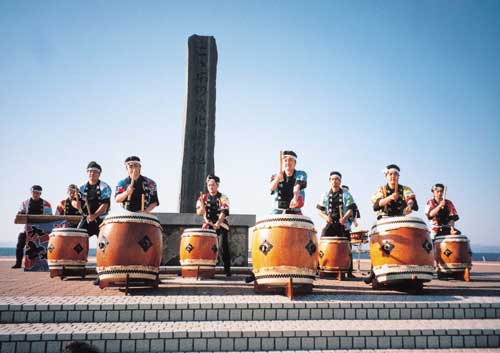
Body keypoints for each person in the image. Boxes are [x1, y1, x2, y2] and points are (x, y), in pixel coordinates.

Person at [317, 172, 357, 278]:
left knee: (347, 244)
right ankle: (320, 266)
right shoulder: (325, 195)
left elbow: (351, 209)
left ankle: (349, 270)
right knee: (323, 238)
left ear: (340, 181)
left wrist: (344, 218)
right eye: (332, 179)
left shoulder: (346, 194)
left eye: (337, 179)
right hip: (330, 222)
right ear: (330, 181)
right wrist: (326, 218)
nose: (335, 181)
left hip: (342, 223)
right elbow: (319, 211)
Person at [196, 174, 231, 276]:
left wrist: (218, 223)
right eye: (209, 185)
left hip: (221, 225)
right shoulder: (203, 197)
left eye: (213, 185)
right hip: (207, 224)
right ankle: (204, 269)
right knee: (202, 246)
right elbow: (199, 212)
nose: (211, 187)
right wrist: (201, 209)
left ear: (217, 185)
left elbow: (224, 211)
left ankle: (227, 269)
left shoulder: (223, 197)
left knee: (222, 246)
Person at [12, 185, 52, 269]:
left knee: (46, 245)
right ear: (31, 192)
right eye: (34, 192)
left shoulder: (46, 204)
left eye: (38, 193)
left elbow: (49, 217)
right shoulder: (25, 203)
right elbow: (20, 213)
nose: (36, 194)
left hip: (41, 230)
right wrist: (21, 214)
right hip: (27, 229)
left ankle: (45, 263)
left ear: (40, 193)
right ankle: (18, 263)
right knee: (20, 243)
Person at [76, 161, 111, 238]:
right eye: (90, 171)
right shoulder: (82, 188)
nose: (92, 173)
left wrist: (94, 215)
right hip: (87, 218)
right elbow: (76, 201)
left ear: (99, 174)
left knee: (105, 243)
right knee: (77, 238)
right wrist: (76, 204)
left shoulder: (104, 187)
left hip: (101, 219)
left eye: (95, 171)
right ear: (87, 173)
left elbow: (105, 205)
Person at [270, 150, 307, 214]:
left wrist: (295, 198)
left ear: (295, 163)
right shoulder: (275, 176)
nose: (287, 162)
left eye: (290, 160)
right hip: (278, 210)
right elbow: (271, 188)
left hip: (295, 210)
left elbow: (298, 185)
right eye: (285, 160)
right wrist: (278, 178)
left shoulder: (301, 174)